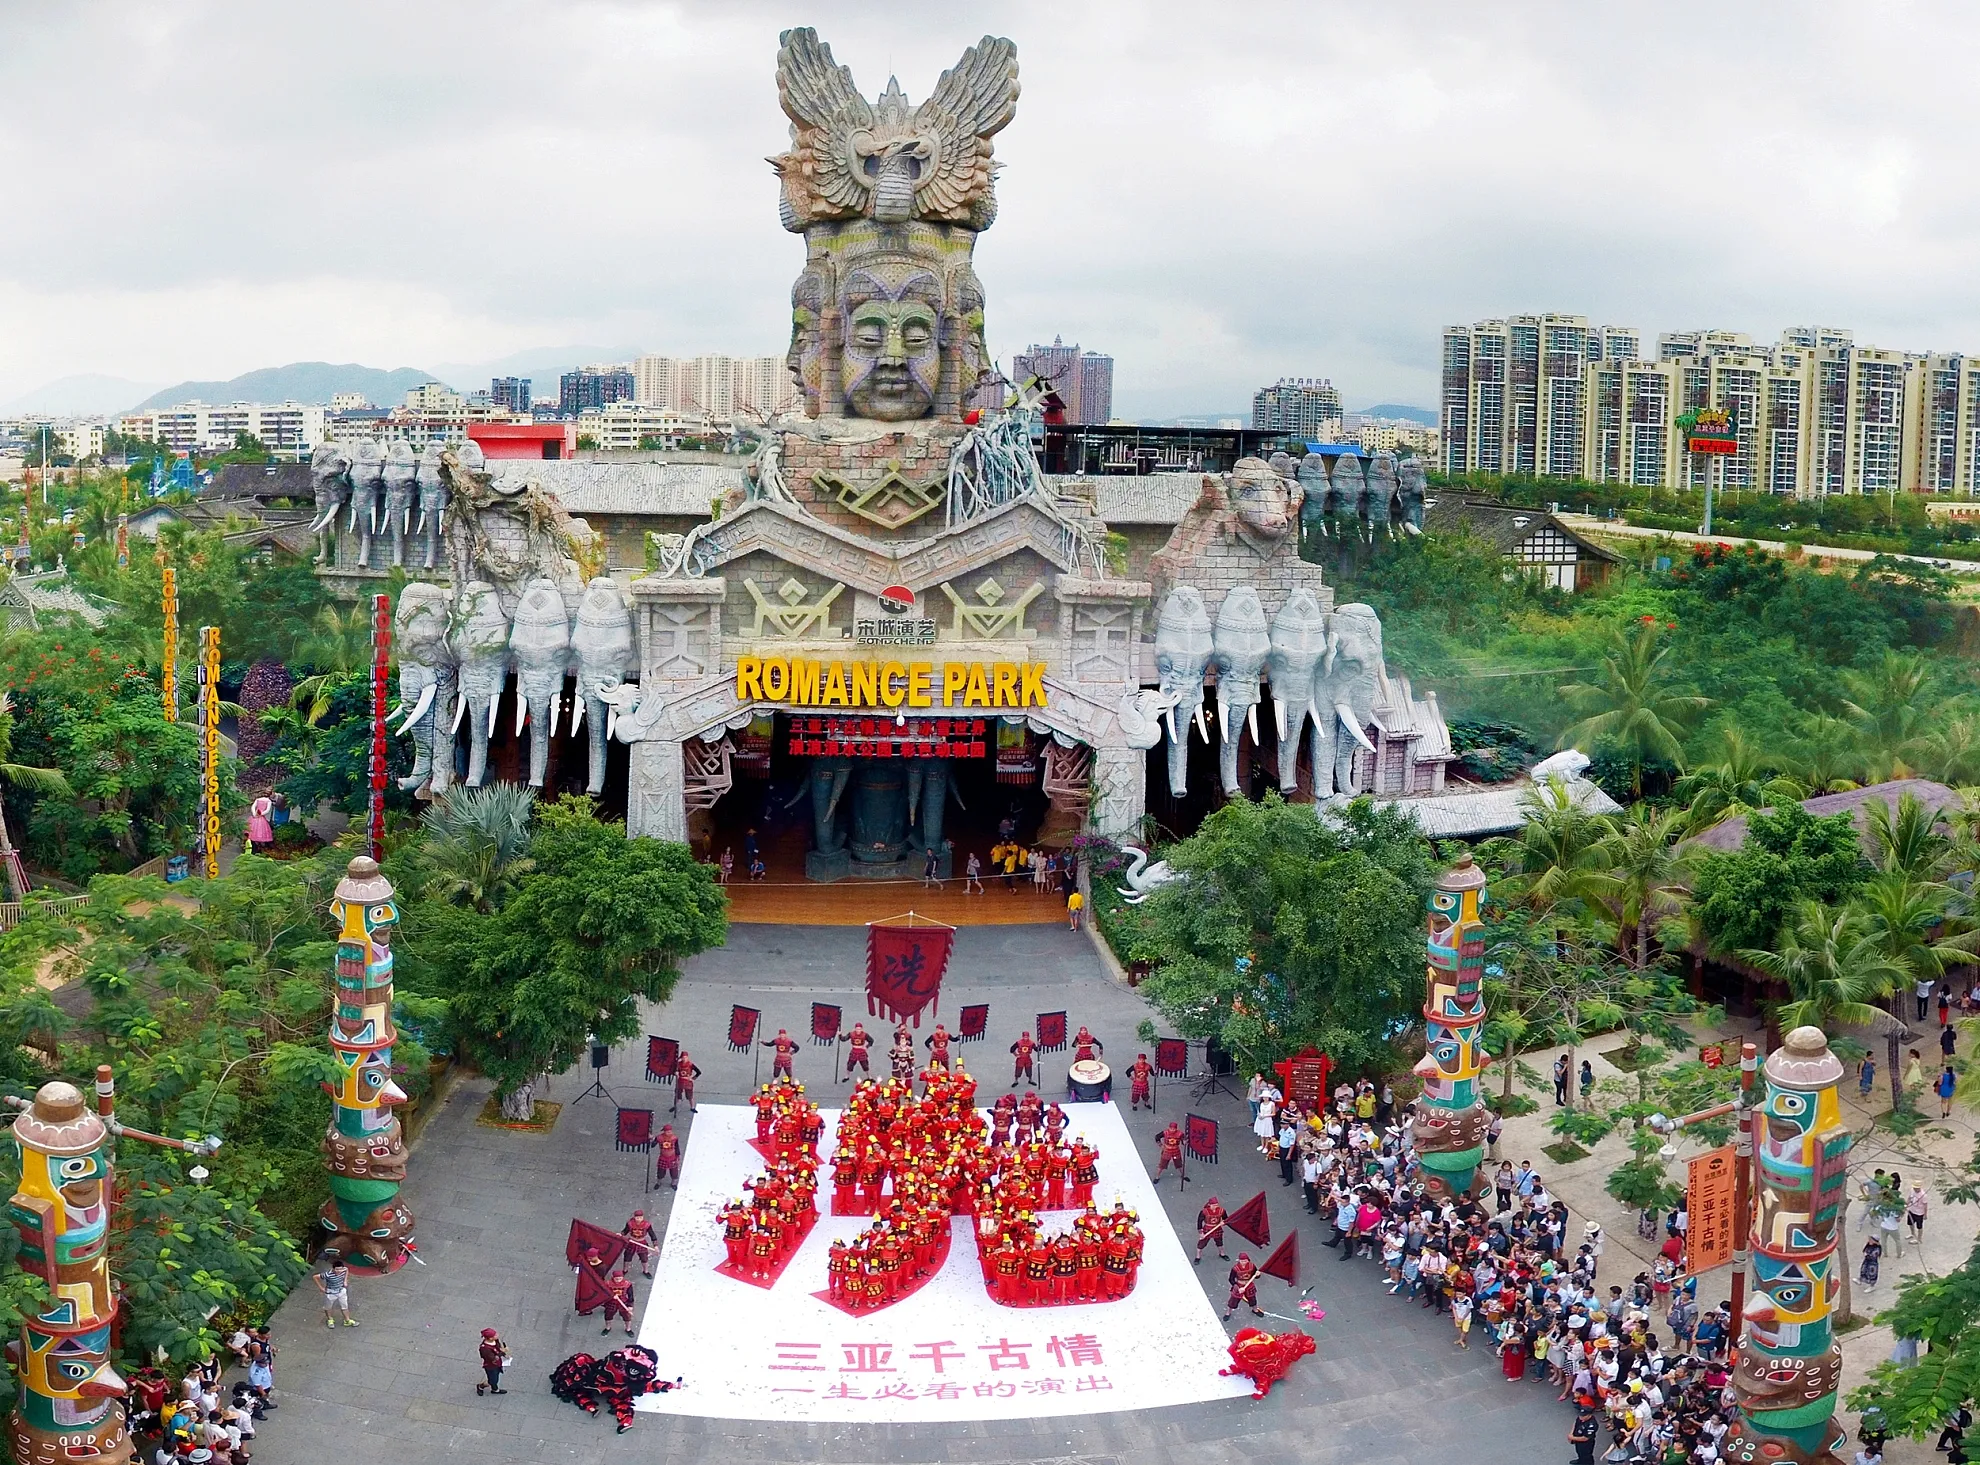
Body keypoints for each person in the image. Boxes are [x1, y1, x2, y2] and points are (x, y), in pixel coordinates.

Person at [314, 1258, 354, 1328]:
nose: (339, 1271)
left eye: (340, 1269)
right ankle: (330, 1319)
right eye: (337, 1269)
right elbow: (315, 1277)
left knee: (345, 1306)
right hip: (331, 1293)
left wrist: (345, 1281)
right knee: (328, 1307)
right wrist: (321, 1288)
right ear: (333, 1268)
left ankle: (347, 1320)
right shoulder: (328, 1275)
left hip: (341, 1291)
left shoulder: (344, 1270)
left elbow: (347, 1270)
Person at [623, 1209, 657, 1277]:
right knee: (627, 1257)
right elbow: (625, 1231)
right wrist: (621, 1234)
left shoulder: (647, 1225)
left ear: (643, 1217)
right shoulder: (630, 1223)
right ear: (634, 1217)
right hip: (631, 1242)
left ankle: (646, 1271)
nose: (639, 1219)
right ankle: (625, 1270)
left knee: (644, 1258)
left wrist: (655, 1245)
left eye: (640, 1217)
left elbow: (652, 1234)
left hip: (642, 1243)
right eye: (637, 1217)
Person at [477, 1328, 510, 1396]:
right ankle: (481, 1386)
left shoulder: (495, 1341)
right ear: (490, 1338)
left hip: (497, 1364)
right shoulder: (485, 1349)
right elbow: (493, 1359)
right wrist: (502, 1352)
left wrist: (503, 1354)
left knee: (495, 1378)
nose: (497, 1335)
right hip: (491, 1366)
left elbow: (498, 1348)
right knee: (492, 1381)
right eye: (495, 1335)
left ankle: (495, 1389)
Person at [1196, 1197, 1229, 1263]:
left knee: (1219, 1242)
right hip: (1207, 1229)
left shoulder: (1222, 1211)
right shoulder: (1204, 1212)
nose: (1215, 1206)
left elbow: (1226, 1219)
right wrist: (1201, 1232)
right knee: (1202, 1243)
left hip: (1217, 1228)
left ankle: (1222, 1254)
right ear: (1210, 1205)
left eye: (1217, 1205)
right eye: (1214, 1205)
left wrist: (1224, 1222)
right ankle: (1198, 1256)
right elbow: (1199, 1221)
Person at [672, 1050, 701, 1114]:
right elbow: (673, 1071)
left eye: (685, 1057)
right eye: (683, 1057)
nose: (684, 1059)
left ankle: (692, 1107)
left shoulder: (690, 1064)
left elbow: (698, 1072)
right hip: (680, 1081)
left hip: (688, 1082)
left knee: (689, 1096)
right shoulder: (678, 1065)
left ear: (687, 1057)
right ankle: (675, 1106)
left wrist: (693, 1078)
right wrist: (675, 1073)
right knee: (677, 1095)